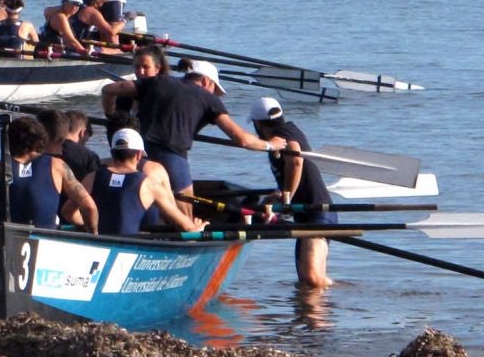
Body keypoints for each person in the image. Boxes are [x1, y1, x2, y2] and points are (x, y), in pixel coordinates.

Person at [99, 49, 283, 195]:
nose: (215, 94)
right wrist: (270, 145)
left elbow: (109, 90)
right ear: (206, 81)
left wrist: (111, 116)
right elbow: (241, 139)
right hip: (171, 156)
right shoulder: (209, 99)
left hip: (137, 153)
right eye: (215, 89)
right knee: (187, 207)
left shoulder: (158, 81)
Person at [250, 96, 334, 289]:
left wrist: (287, 194)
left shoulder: (281, 136)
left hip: (318, 211)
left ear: (258, 124)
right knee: (307, 282)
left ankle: (352, 298)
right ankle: (314, 317)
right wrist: (280, 193)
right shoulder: (288, 131)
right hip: (306, 215)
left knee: (312, 278)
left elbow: (296, 160)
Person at [0, 116, 97, 232]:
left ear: (10, 141)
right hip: (46, 240)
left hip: (4, 240)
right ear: (41, 140)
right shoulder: (57, 165)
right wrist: (93, 235)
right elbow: (89, 206)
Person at [92, 128, 205, 236]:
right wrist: (197, 230)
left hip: (96, 241)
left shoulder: (92, 176)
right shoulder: (149, 184)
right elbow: (185, 226)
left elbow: (74, 211)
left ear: (112, 153)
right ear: (139, 155)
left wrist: (86, 228)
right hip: (129, 246)